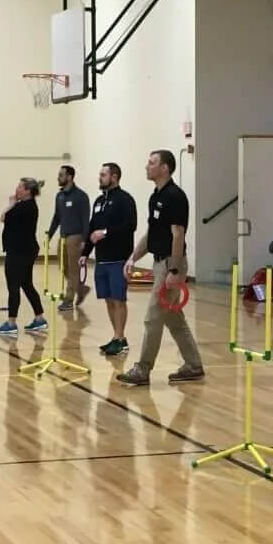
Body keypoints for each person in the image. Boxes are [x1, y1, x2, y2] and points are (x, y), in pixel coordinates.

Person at [117, 150, 204, 385]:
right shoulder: (155, 196)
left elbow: (178, 234)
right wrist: (133, 257)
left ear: (165, 168)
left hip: (170, 264)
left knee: (152, 318)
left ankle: (143, 370)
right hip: (159, 262)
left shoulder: (176, 196)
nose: (147, 166)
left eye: (152, 163)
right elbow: (152, 233)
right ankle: (194, 365)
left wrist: (174, 271)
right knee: (174, 319)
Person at [79, 162, 137, 357]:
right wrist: (85, 253)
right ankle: (117, 337)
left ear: (114, 177)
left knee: (119, 300)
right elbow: (91, 228)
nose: (100, 178)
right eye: (99, 174)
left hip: (119, 258)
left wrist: (105, 232)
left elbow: (130, 226)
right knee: (109, 300)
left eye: (103, 175)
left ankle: (120, 339)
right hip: (102, 260)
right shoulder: (98, 202)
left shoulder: (125, 200)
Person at [0, 177, 48, 336]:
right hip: (22, 250)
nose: (16, 190)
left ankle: (11, 323)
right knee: (26, 284)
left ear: (27, 191)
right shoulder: (24, 206)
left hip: (20, 252)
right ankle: (39, 319)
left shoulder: (25, 207)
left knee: (13, 286)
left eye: (19, 187)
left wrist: (10, 204)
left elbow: (3, 217)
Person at [46, 164, 91, 311]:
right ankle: (81, 289)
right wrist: (50, 235)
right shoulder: (59, 196)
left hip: (76, 237)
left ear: (69, 177)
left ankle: (68, 299)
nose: (58, 178)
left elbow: (86, 219)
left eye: (61, 175)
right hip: (63, 237)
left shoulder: (81, 196)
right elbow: (56, 217)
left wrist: (85, 240)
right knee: (63, 268)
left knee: (73, 270)